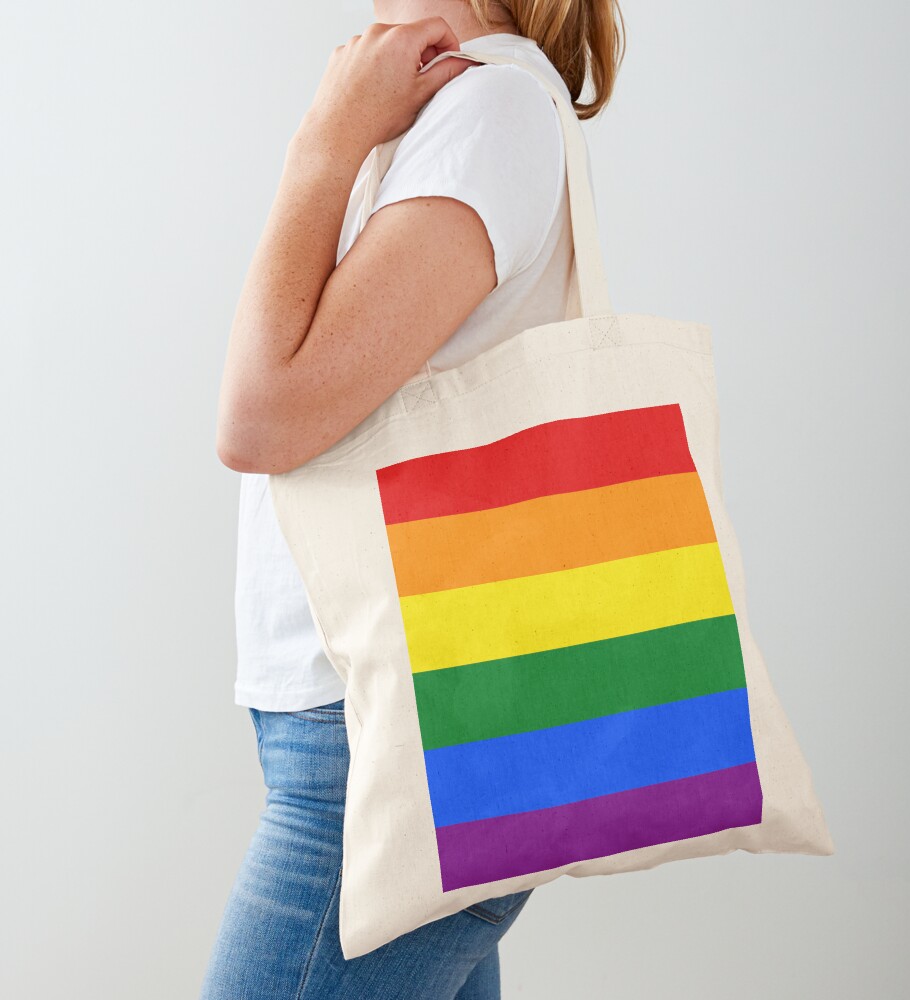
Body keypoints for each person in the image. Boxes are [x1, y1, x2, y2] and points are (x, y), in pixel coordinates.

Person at [203, 1, 623, 996]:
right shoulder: (448, 108)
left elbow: (259, 417)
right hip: (375, 731)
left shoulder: (491, 111)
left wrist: (325, 139)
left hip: (392, 752)